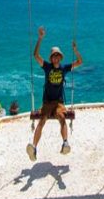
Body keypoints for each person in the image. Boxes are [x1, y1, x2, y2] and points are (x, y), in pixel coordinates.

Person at [26, 26, 83, 162]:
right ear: (51, 58)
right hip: (47, 102)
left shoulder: (64, 68)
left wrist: (75, 50)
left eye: (57, 56)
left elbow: (80, 62)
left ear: (60, 57)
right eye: (54, 56)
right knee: (42, 120)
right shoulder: (47, 67)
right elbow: (36, 56)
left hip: (58, 102)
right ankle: (34, 148)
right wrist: (40, 38)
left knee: (62, 118)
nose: (56, 58)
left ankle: (65, 143)